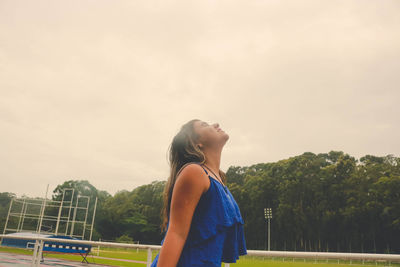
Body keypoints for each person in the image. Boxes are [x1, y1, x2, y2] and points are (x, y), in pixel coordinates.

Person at [151, 119, 247, 267]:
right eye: (205, 125)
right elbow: (176, 234)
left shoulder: (219, 180)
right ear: (197, 143)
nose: (215, 124)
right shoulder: (195, 172)